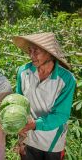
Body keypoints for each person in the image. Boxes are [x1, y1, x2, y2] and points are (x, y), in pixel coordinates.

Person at [12, 32, 76, 160]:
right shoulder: (23, 72)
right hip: (27, 137)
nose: (31, 55)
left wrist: (34, 124)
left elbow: (61, 115)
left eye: (36, 51)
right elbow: (18, 102)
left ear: (49, 53)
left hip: (52, 141)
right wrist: (17, 124)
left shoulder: (66, 79)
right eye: (30, 51)